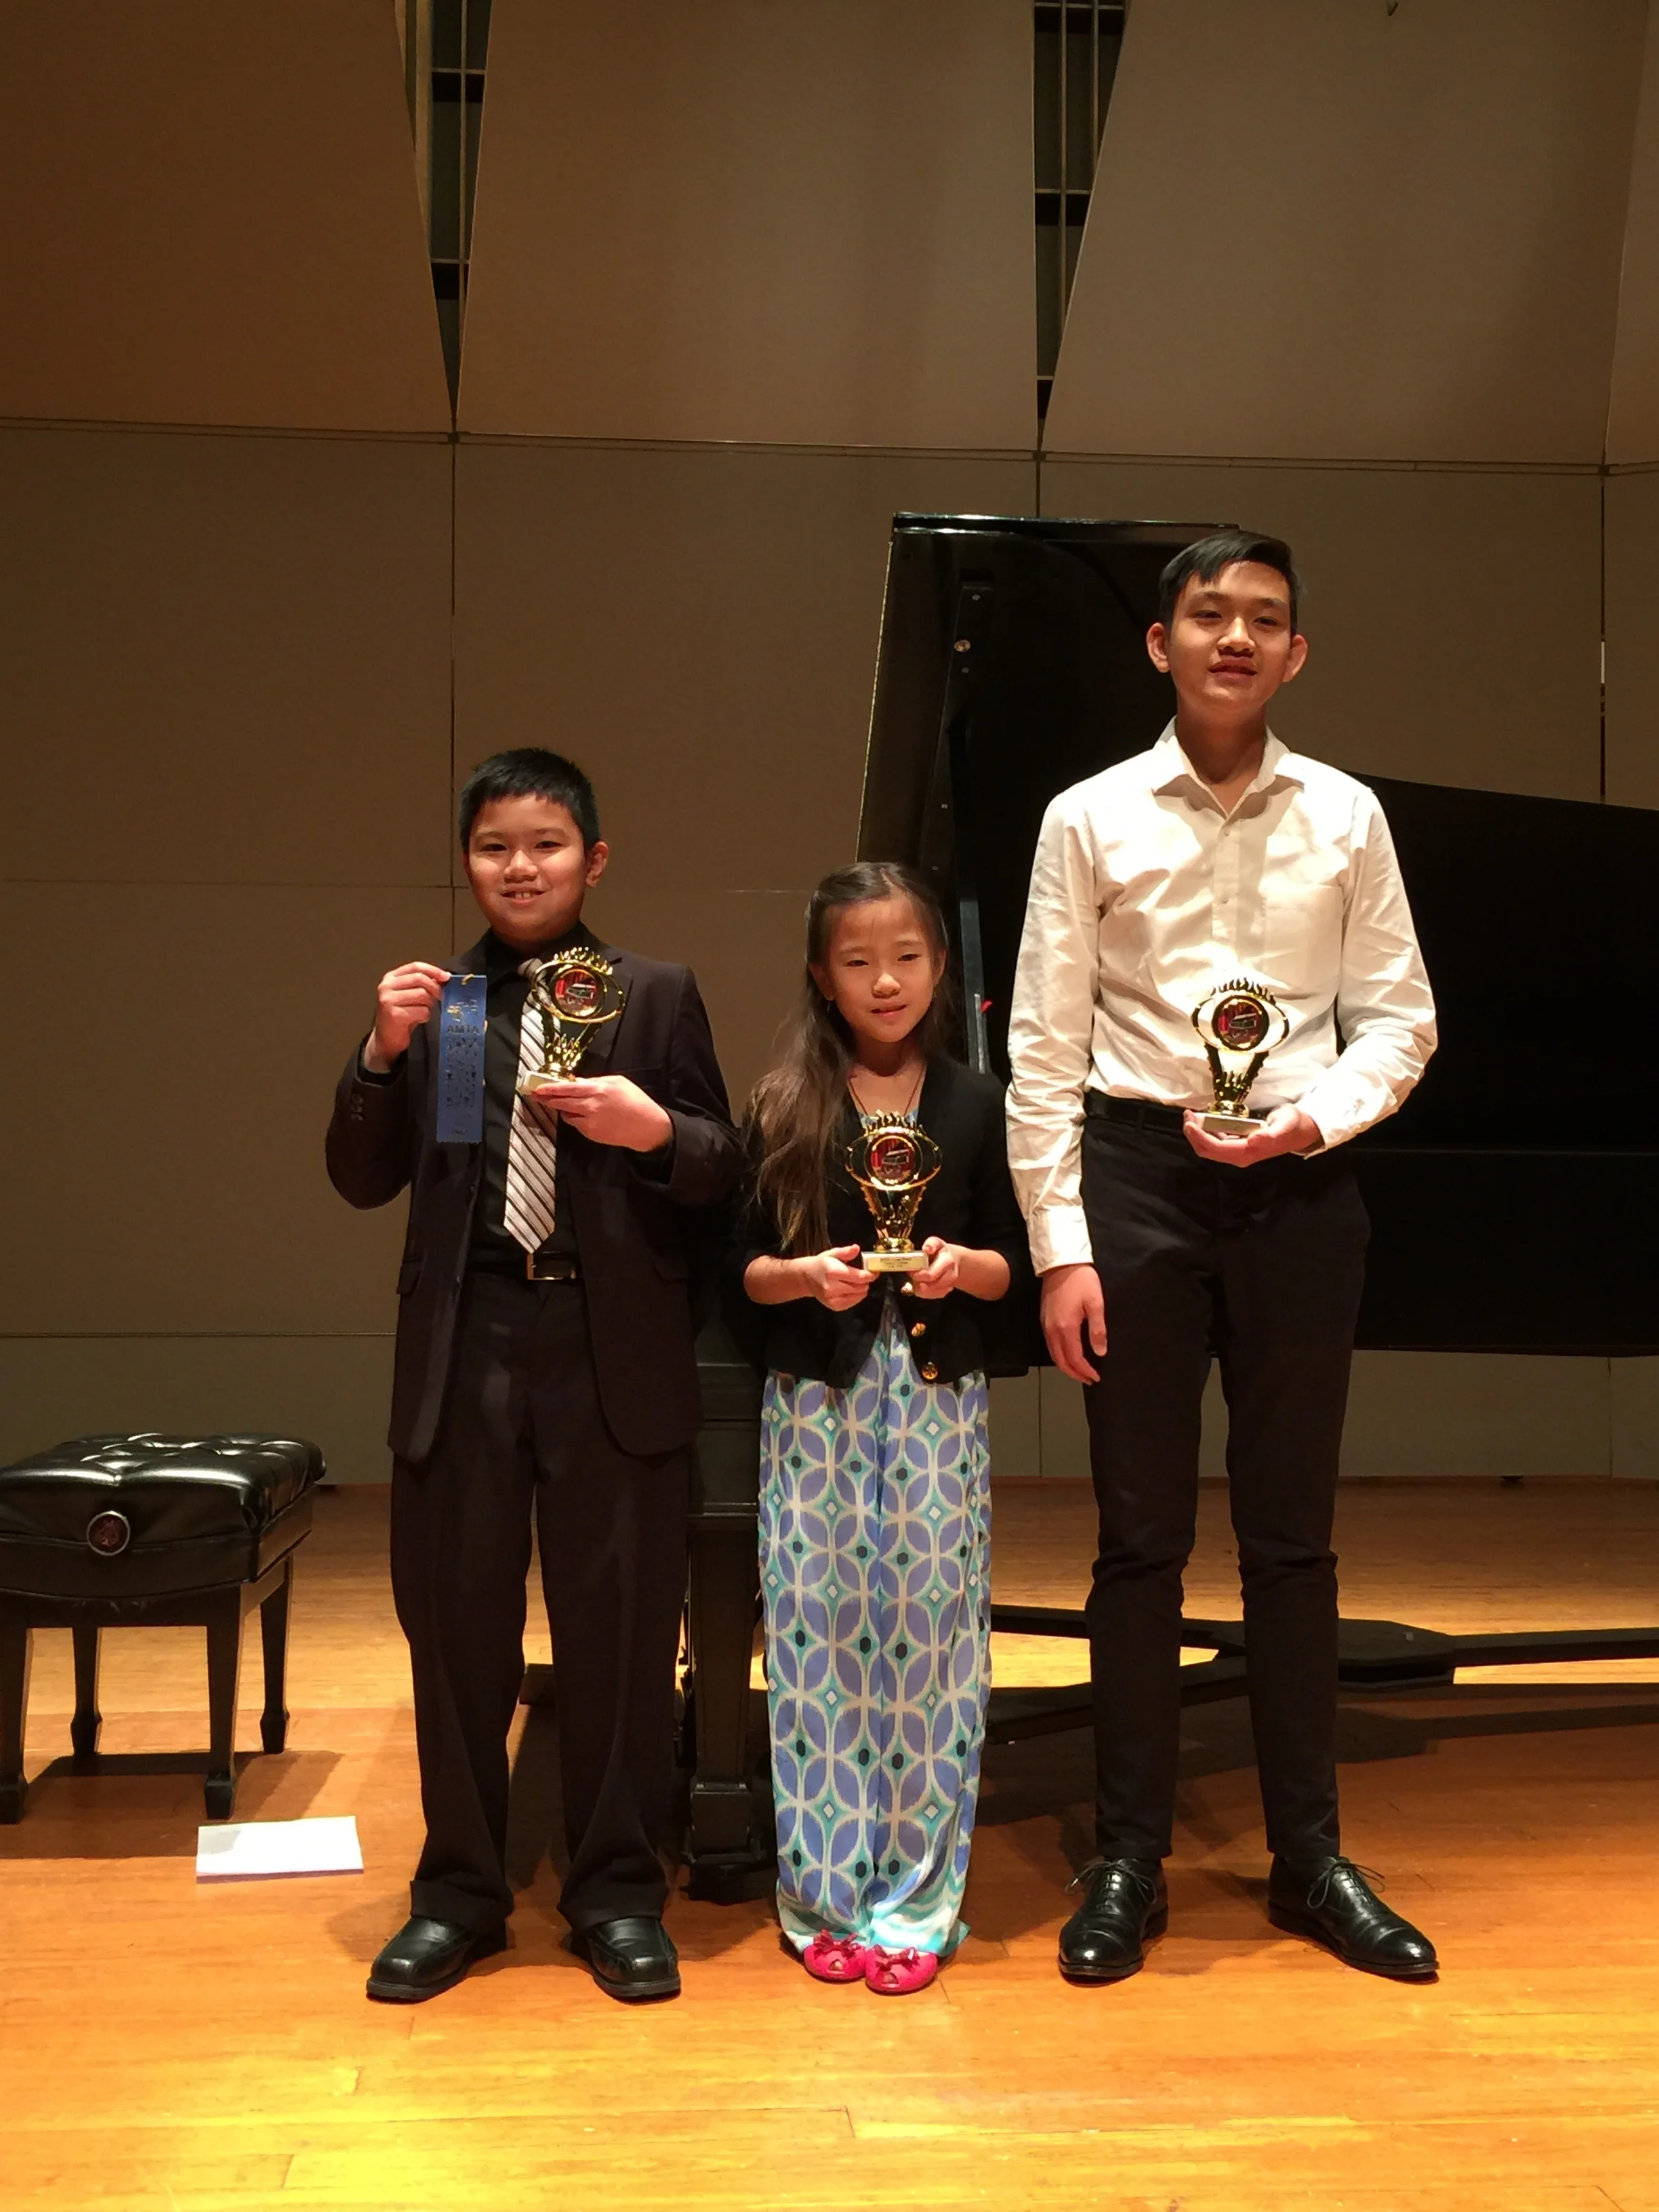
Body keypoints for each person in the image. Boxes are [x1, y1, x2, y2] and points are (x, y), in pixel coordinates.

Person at [1006, 531, 1440, 1985]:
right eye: (1210, 615)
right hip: (1135, 1185)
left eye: (1266, 619)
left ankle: (1310, 1854)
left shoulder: (1349, 815)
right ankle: (1126, 1851)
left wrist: (1310, 1122)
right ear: (1163, 644)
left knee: (1294, 1542)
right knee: (1139, 1542)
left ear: (1296, 653)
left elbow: (1401, 1019)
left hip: (1299, 1188)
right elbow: (1042, 1048)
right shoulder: (1087, 817)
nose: (1237, 638)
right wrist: (1062, 1247)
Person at [326, 746, 741, 2005]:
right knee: (454, 1631)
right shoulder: (442, 1007)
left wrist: (654, 1129)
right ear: (470, 861)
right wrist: (381, 1052)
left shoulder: (657, 996)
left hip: (608, 1347)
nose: (522, 866)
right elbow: (363, 1175)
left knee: (618, 1632)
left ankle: (617, 1891)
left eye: (547, 845)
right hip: (469, 1346)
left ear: (593, 860)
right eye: (496, 845)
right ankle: (458, 1891)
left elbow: (726, 1170)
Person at [730, 862, 1029, 1995]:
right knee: (814, 1643)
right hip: (815, 1401)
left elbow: (1016, 1267)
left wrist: (962, 1269)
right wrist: (804, 1276)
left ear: (939, 966)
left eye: (905, 957)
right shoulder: (783, 1104)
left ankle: (918, 1899)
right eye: (857, 962)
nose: (885, 980)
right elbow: (741, 1277)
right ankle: (825, 1895)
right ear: (822, 976)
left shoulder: (973, 1105)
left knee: (932, 1650)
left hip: (939, 1400)